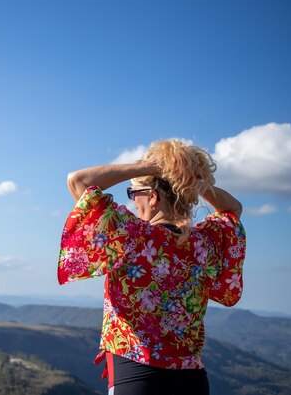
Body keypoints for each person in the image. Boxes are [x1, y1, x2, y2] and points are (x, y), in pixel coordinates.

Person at [58, 139, 246, 395]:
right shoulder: (205, 243)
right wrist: (191, 181)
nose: (133, 202)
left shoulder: (131, 236)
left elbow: (77, 181)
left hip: (137, 376)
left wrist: (151, 167)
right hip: (192, 379)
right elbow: (233, 209)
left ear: (153, 197)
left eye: (134, 194)